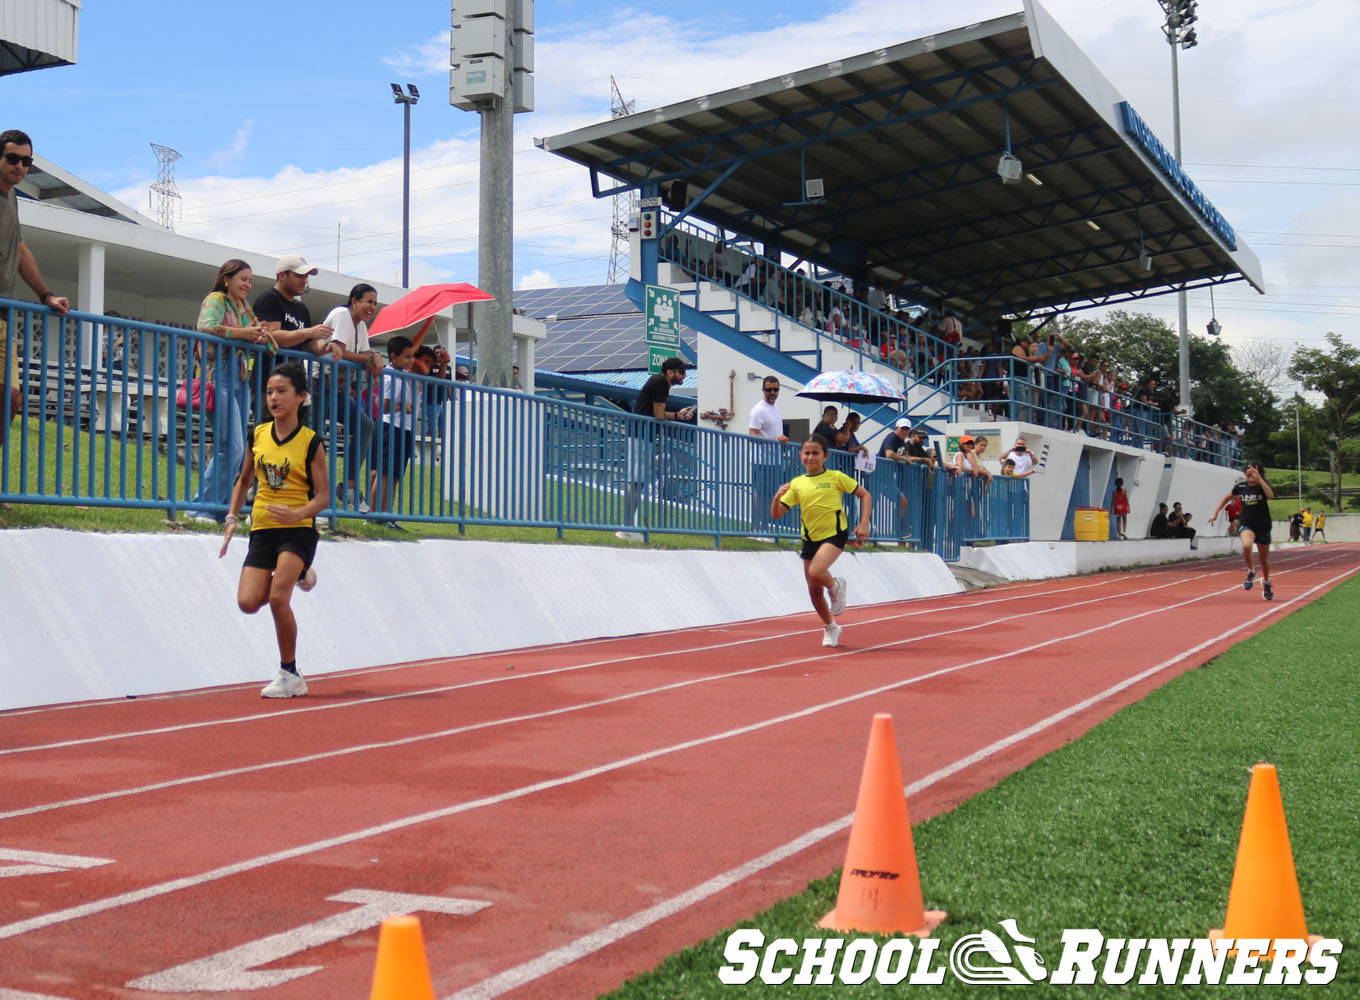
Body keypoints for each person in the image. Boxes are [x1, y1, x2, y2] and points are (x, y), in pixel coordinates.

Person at [218, 361, 330, 698]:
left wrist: (297, 514)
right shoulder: (258, 434)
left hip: (298, 529)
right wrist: (231, 517)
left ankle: (290, 673)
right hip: (263, 528)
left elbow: (323, 497)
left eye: (282, 391)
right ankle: (299, 573)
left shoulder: (311, 442)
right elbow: (243, 481)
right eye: (269, 392)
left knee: (279, 598)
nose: (273, 398)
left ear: (301, 397)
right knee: (248, 602)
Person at [183, 259, 273, 524]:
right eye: (243, 279)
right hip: (219, 375)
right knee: (231, 447)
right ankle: (200, 507)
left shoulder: (244, 306)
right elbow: (206, 327)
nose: (248, 285)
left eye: (250, 280)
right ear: (227, 279)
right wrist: (244, 334)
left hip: (241, 377)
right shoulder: (216, 299)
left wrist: (261, 336)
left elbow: (261, 335)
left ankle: (217, 508)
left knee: (237, 449)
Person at [770, 434, 872, 648]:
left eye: (815, 453)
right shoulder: (797, 484)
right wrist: (776, 497)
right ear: (800, 455)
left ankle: (836, 586)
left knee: (816, 571)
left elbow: (865, 495)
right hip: (810, 538)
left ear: (825, 456)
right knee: (813, 589)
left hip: (835, 533)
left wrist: (864, 523)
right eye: (806, 453)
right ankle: (831, 626)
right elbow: (777, 514)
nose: (810, 457)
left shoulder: (836, 477)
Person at [1, 129, 71, 429]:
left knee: (10, 398)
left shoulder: (11, 197)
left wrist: (46, 295)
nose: (19, 166)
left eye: (26, 161)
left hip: (4, 315)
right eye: (12, 158)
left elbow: (19, 248)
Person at [318, 283, 384, 514]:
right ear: (354, 301)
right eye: (368, 301)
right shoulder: (342, 314)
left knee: (365, 425)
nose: (372, 307)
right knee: (314, 437)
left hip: (336, 389)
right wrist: (369, 357)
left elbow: (362, 354)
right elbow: (339, 352)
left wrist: (371, 356)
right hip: (316, 384)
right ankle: (314, 495)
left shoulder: (361, 326)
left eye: (375, 303)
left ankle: (348, 486)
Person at [617, 356, 695, 541]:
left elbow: (656, 413)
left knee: (639, 481)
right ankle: (626, 527)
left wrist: (677, 415)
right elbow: (659, 415)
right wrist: (674, 415)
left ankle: (629, 526)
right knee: (636, 481)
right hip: (641, 435)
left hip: (643, 434)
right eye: (681, 373)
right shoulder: (661, 382)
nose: (684, 377)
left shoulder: (659, 382)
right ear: (670, 372)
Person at [252, 253, 334, 396]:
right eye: (299, 276)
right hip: (269, 386)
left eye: (306, 276)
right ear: (282, 275)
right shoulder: (268, 298)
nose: (304, 280)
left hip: (294, 386)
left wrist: (328, 347)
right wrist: (308, 332)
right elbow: (272, 336)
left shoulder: (301, 308)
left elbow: (309, 344)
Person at [368, 335, 417, 528]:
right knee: (385, 474)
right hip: (391, 427)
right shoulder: (391, 377)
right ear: (394, 357)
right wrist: (402, 406)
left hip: (402, 428)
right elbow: (384, 406)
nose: (411, 361)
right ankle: (374, 515)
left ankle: (386, 515)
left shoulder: (402, 374)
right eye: (407, 357)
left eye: (412, 356)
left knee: (394, 476)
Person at [1209, 462, 1275, 601]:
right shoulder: (1241, 487)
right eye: (1248, 475)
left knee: (1263, 559)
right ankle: (1251, 571)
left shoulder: (1262, 486)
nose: (1250, 478)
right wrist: (1215, 513)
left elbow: (1270, 495)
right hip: (1247, 523)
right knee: (1246, 545)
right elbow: (1227, 497)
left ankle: (1267, 582)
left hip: (1263, 525)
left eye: (1253, 475)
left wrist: (1259, 478)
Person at [748, 375, 789, 533]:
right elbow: (753, 434)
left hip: (774, 460)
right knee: (761, 494)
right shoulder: (758, 410)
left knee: (771, 495)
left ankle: (765, 528)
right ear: (763, 390)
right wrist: (776, 440)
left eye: (775, 389)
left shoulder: (776, 408)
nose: (772, 392)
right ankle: (756, 529)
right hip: (761, 460)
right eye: (769, 389)